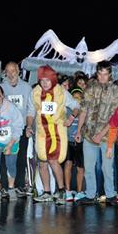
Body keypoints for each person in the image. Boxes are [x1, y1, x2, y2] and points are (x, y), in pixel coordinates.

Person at [26, 65, 80, 203]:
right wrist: (28, 125)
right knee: (42, 161)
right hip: (41, 131)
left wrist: (71, 118)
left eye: (47, 80)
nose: (44, 83)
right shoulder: (35, 92)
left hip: (57, 131)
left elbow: (76, 106)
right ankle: (47, 192)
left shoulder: (61, 92)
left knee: (53, 160)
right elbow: (31, 111)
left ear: (53, 80)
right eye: (42, 80)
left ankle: (61, 191)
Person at [74, 61, 118, 204]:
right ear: (97, 74)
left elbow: (116, 117)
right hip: (89, 134)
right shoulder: (89, 89)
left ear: (110, 75)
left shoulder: (116, 91)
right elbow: (83, 110)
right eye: (100, 74)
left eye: (105, 74)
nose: (102, 77)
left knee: (107, 167)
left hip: (107, 136)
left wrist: (101, 134)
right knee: (88, 167)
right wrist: (78, 131)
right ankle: (90, 195)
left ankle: (110, 195)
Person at [0, 62, 33, 196]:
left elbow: (31, 108)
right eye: (8, 71)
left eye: (13, 71)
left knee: (21, 157)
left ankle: (19, 185)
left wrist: (29, 125)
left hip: (22, 128)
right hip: (5, 128)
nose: (11, 74)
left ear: (18, 71)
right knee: (4, 157)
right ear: (5, 73)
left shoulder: (27, 87)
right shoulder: (1, 88)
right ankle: (3, 186)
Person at [64, 86, 85, 202]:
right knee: (68, 165)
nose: (77, 100)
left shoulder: (84, 111)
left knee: (80, 168)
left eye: (79, 98)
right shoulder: (67, 110)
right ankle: (67, 191)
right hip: (68, 141)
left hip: (80, 142)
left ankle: (80, 191)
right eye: (74, 98)